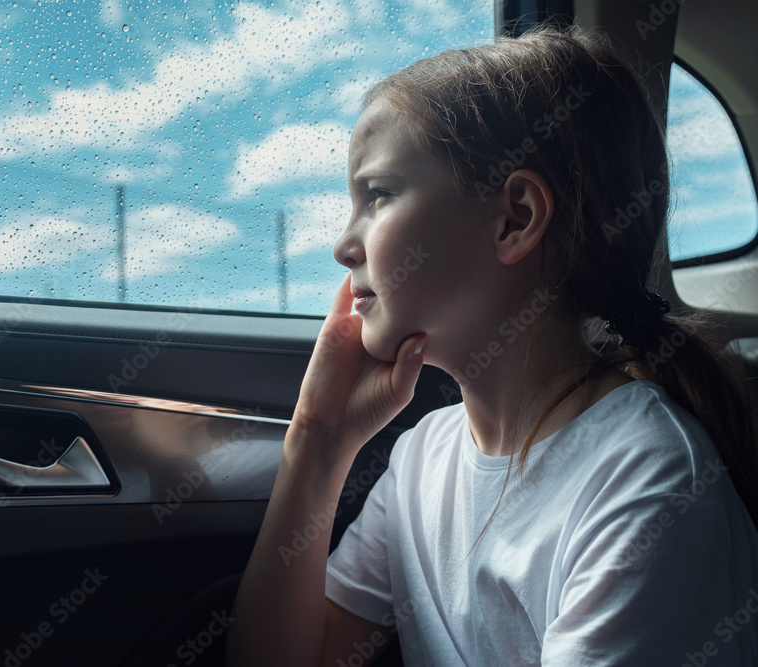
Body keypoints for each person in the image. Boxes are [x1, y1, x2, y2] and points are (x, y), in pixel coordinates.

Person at [225, 26, 758, 667]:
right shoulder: (423, 457)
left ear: (516, 219)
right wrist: (316, 439)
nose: (343, 245)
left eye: (379, 195)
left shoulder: (647, 478)